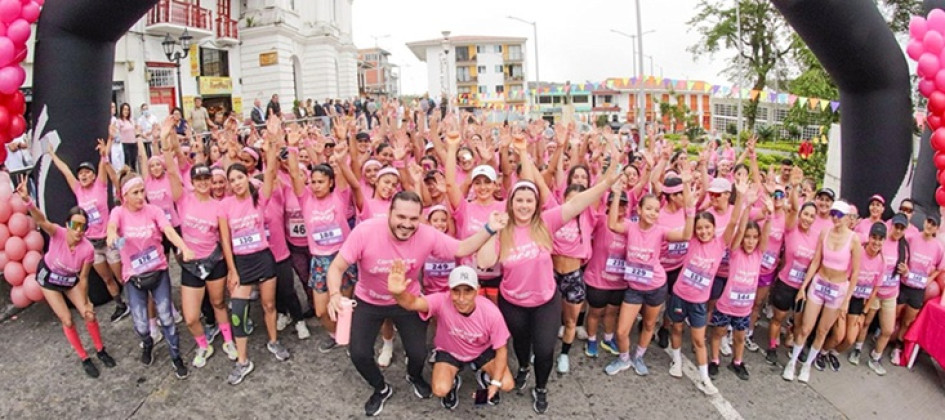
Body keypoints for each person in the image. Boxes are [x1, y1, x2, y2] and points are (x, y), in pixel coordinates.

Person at [326, 190, 505, 417]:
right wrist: (334, 294)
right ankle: (381, 388)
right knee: (359, 353)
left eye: (413, 219)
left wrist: (489, 229)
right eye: (401, 217)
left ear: (420, 218)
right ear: (389, 213)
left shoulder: (427, 235)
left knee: (419, 353)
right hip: (368, 300)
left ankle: (414, 376)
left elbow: (461, 248)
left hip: (407, 301)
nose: (407, 224)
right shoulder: (365, 231)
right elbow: (337, 267)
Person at [476, 132, 618, 414]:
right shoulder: (502, 228)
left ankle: (540, 387)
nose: (525, 204)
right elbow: (483, 261)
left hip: (545, 302)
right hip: (512, 302)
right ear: (511, 203)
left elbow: (577, 203)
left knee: (543, 350)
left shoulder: (547, 222)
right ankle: (523, 368)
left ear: (536, 203)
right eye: (520, 200)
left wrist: (605, 183)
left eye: (530, 200)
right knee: (521, 345)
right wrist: (491, 229)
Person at [15, 176, 117, 378]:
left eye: (83, 227)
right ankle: (84, 357)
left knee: (89, 314)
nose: (78, 231)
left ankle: (100, 349)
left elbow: (84, 278)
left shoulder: (87, 249)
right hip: (49, 279)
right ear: (67, 224)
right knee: (68, 320)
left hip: (70, 279)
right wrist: (28, 201)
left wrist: (86, 302)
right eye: (75, 225)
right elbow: (41, 220)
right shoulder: (58, 233)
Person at [605, 170, 695, 378]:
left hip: (656, 286)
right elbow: (612, 224)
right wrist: (617, 192)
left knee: (648, 324)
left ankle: (639, 357)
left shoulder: (661, 231)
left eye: (656, 210)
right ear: (639, 209)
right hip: (634, 289)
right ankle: (624, 358)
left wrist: (690, 212)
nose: (653, 213)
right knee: (621, 331)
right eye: (649, 209)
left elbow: (686, 235)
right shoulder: (631, 227)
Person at [388, 264, 514, 410]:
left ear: (477, 290)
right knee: (440, 390)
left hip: (481, 351)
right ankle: (453, 383)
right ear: (449, 290)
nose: (461, 299)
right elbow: (412, 303)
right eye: (456, 291)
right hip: (450, 351)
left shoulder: (492, 313)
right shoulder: (441, 301)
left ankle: (485, 379)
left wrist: (495, 384)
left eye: (468, 291)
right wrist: (398, 294)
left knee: (506, 384)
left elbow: (501, 349)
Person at [106, 172, 194, 379]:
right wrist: (111, 235)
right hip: (134, 278)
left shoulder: (153, 210)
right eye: (134, 193)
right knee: (141, 324)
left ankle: (176, 357)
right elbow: (112, 226)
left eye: (142, 191)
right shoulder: (118, 212)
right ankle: (147, 344)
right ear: (124, 195)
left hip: (158, 272)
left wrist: (183, 247)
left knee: (166, 318)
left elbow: (169, 231)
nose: (140, 196)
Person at [219, 161, 291, 385]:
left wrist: (271, 142)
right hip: (241, 263)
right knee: (238, 313)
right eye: (232, 180)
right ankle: (243, 361)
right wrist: (232, 270)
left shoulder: (258, 198)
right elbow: (225, 240)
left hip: (263, 258)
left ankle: (273, 341)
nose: (236, 183)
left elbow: (270, 172)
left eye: (240, 178)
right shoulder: (225, 205)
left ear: (247, 178)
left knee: (269, 305)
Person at [47, 139, 128, 323]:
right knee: (107, 279)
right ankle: (121, 305)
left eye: (86, 172)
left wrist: (103, 152)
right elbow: (66, 171)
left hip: (108, 240)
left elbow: (103, 162)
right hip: (92, 244)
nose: (83, 175)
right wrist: (52, 155)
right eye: (81, 173)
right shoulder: (77, 190)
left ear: (93, 176)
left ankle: (135, 302)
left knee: (122, 276)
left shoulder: (100, 185)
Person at [783, 201, 861, 383]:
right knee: (805, 327)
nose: (836, 218)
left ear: (849, 218)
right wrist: (804, 286)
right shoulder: (825, 232)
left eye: (840, 215)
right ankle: (792, 361)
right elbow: (816, 260)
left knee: (822, 331)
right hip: (819, 283)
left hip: (838, 288)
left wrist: (847, 299)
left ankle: (807, 365)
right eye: (834, 213)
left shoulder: (854, 239)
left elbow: (855, 272)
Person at [709, 186, 772, 381]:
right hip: (727, 304)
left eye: (755, 238)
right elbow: (740, 229)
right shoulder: (735, 252)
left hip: (744, 308)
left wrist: (770, 215)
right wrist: (747, 207)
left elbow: (766, 235)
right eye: (747, 237)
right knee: (718, 332)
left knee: (739, 336)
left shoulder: (759, 254)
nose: (751, 241)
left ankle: (737, 362)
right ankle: (714, 360)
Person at [890, 212, 943, 365]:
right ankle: (883, 338)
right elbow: (901, 254)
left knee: (907, 321)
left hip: (919, 289)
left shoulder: (938, 247)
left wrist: (929, 280)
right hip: (904, 284)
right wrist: (904, 268)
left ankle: (897, 348)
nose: (929, 225)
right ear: (924, 222)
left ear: (936, 229)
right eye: (928, 222)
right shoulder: (912, 238)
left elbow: (940, 268)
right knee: (895, 314)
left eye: (933, 224)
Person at [840, 222, 886, 366]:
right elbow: (845, 277)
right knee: (838, 334)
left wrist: (864, 313)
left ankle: (832, 353)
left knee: (850, 339)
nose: (876, 242)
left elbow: (874, 291)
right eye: (874, 237)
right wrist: (843, 301)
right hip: (844, 295)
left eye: (880, 239)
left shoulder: (882, 262)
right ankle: (821, 351)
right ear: (869, 236)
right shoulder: (858, 251)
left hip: (858, 301)